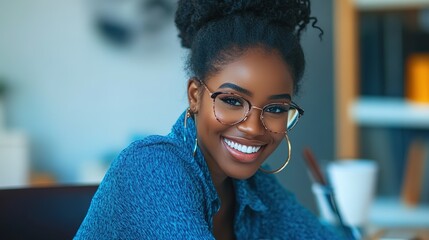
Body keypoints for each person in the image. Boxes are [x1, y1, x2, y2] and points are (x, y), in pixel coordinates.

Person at [75, 0, 341, 239]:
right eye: (233, 101)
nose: (252, 127)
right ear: (195, 95)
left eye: (275, 109)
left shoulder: (253, 187)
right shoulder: (151, 167)